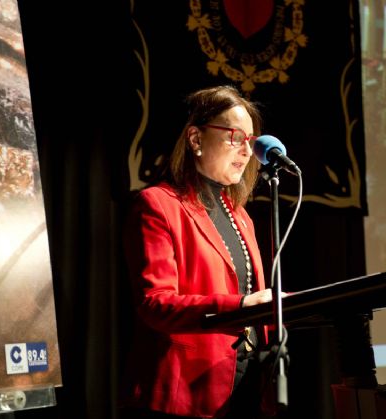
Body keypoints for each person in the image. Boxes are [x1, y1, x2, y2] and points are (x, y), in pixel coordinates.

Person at [120, 85, 278, 419]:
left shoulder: (242, 216)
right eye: (236, 137)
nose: (247, 151)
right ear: (195, 139)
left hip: (247, 392)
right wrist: (241, 306)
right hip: (183, 397)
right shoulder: (158, 205)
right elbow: (155, 304)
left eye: (250, 141)